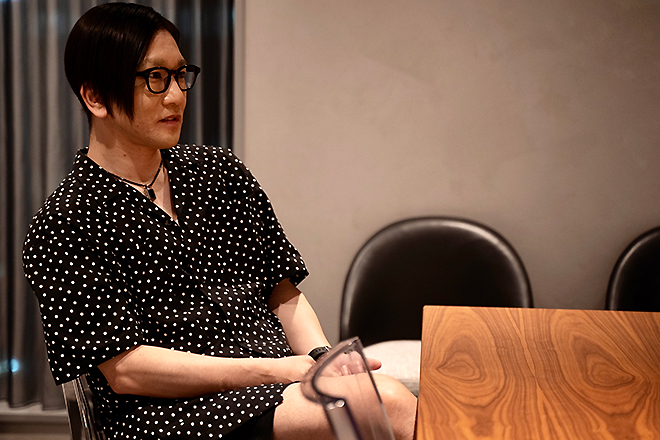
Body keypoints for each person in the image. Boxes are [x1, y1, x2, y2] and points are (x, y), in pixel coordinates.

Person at [22, 3, 417, 440]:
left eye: (180, 75)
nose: (176, 95)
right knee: (384, 404)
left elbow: (282, 290)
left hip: (277, 385)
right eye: (155, 78)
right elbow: (126, 370)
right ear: (95, 97)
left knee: (396, 398)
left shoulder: (219, 172)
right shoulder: (65, 221)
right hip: (164, 414)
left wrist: (321, 358)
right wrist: (278, 371)